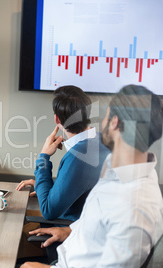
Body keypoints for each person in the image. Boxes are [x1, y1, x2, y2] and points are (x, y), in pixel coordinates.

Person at [21, 85, 163, 268]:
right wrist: (70, 230)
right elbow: (97, 215)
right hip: (68, 251)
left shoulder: (135, 206)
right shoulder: (121, 170)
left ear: (114, 122)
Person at [17, 86, 109, 222]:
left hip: (69, 235)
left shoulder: (78, 157)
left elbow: (48, 211)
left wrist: (44, 156)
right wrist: (44, 186)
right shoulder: (103, 141)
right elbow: (81, 184)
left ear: (57, 119)